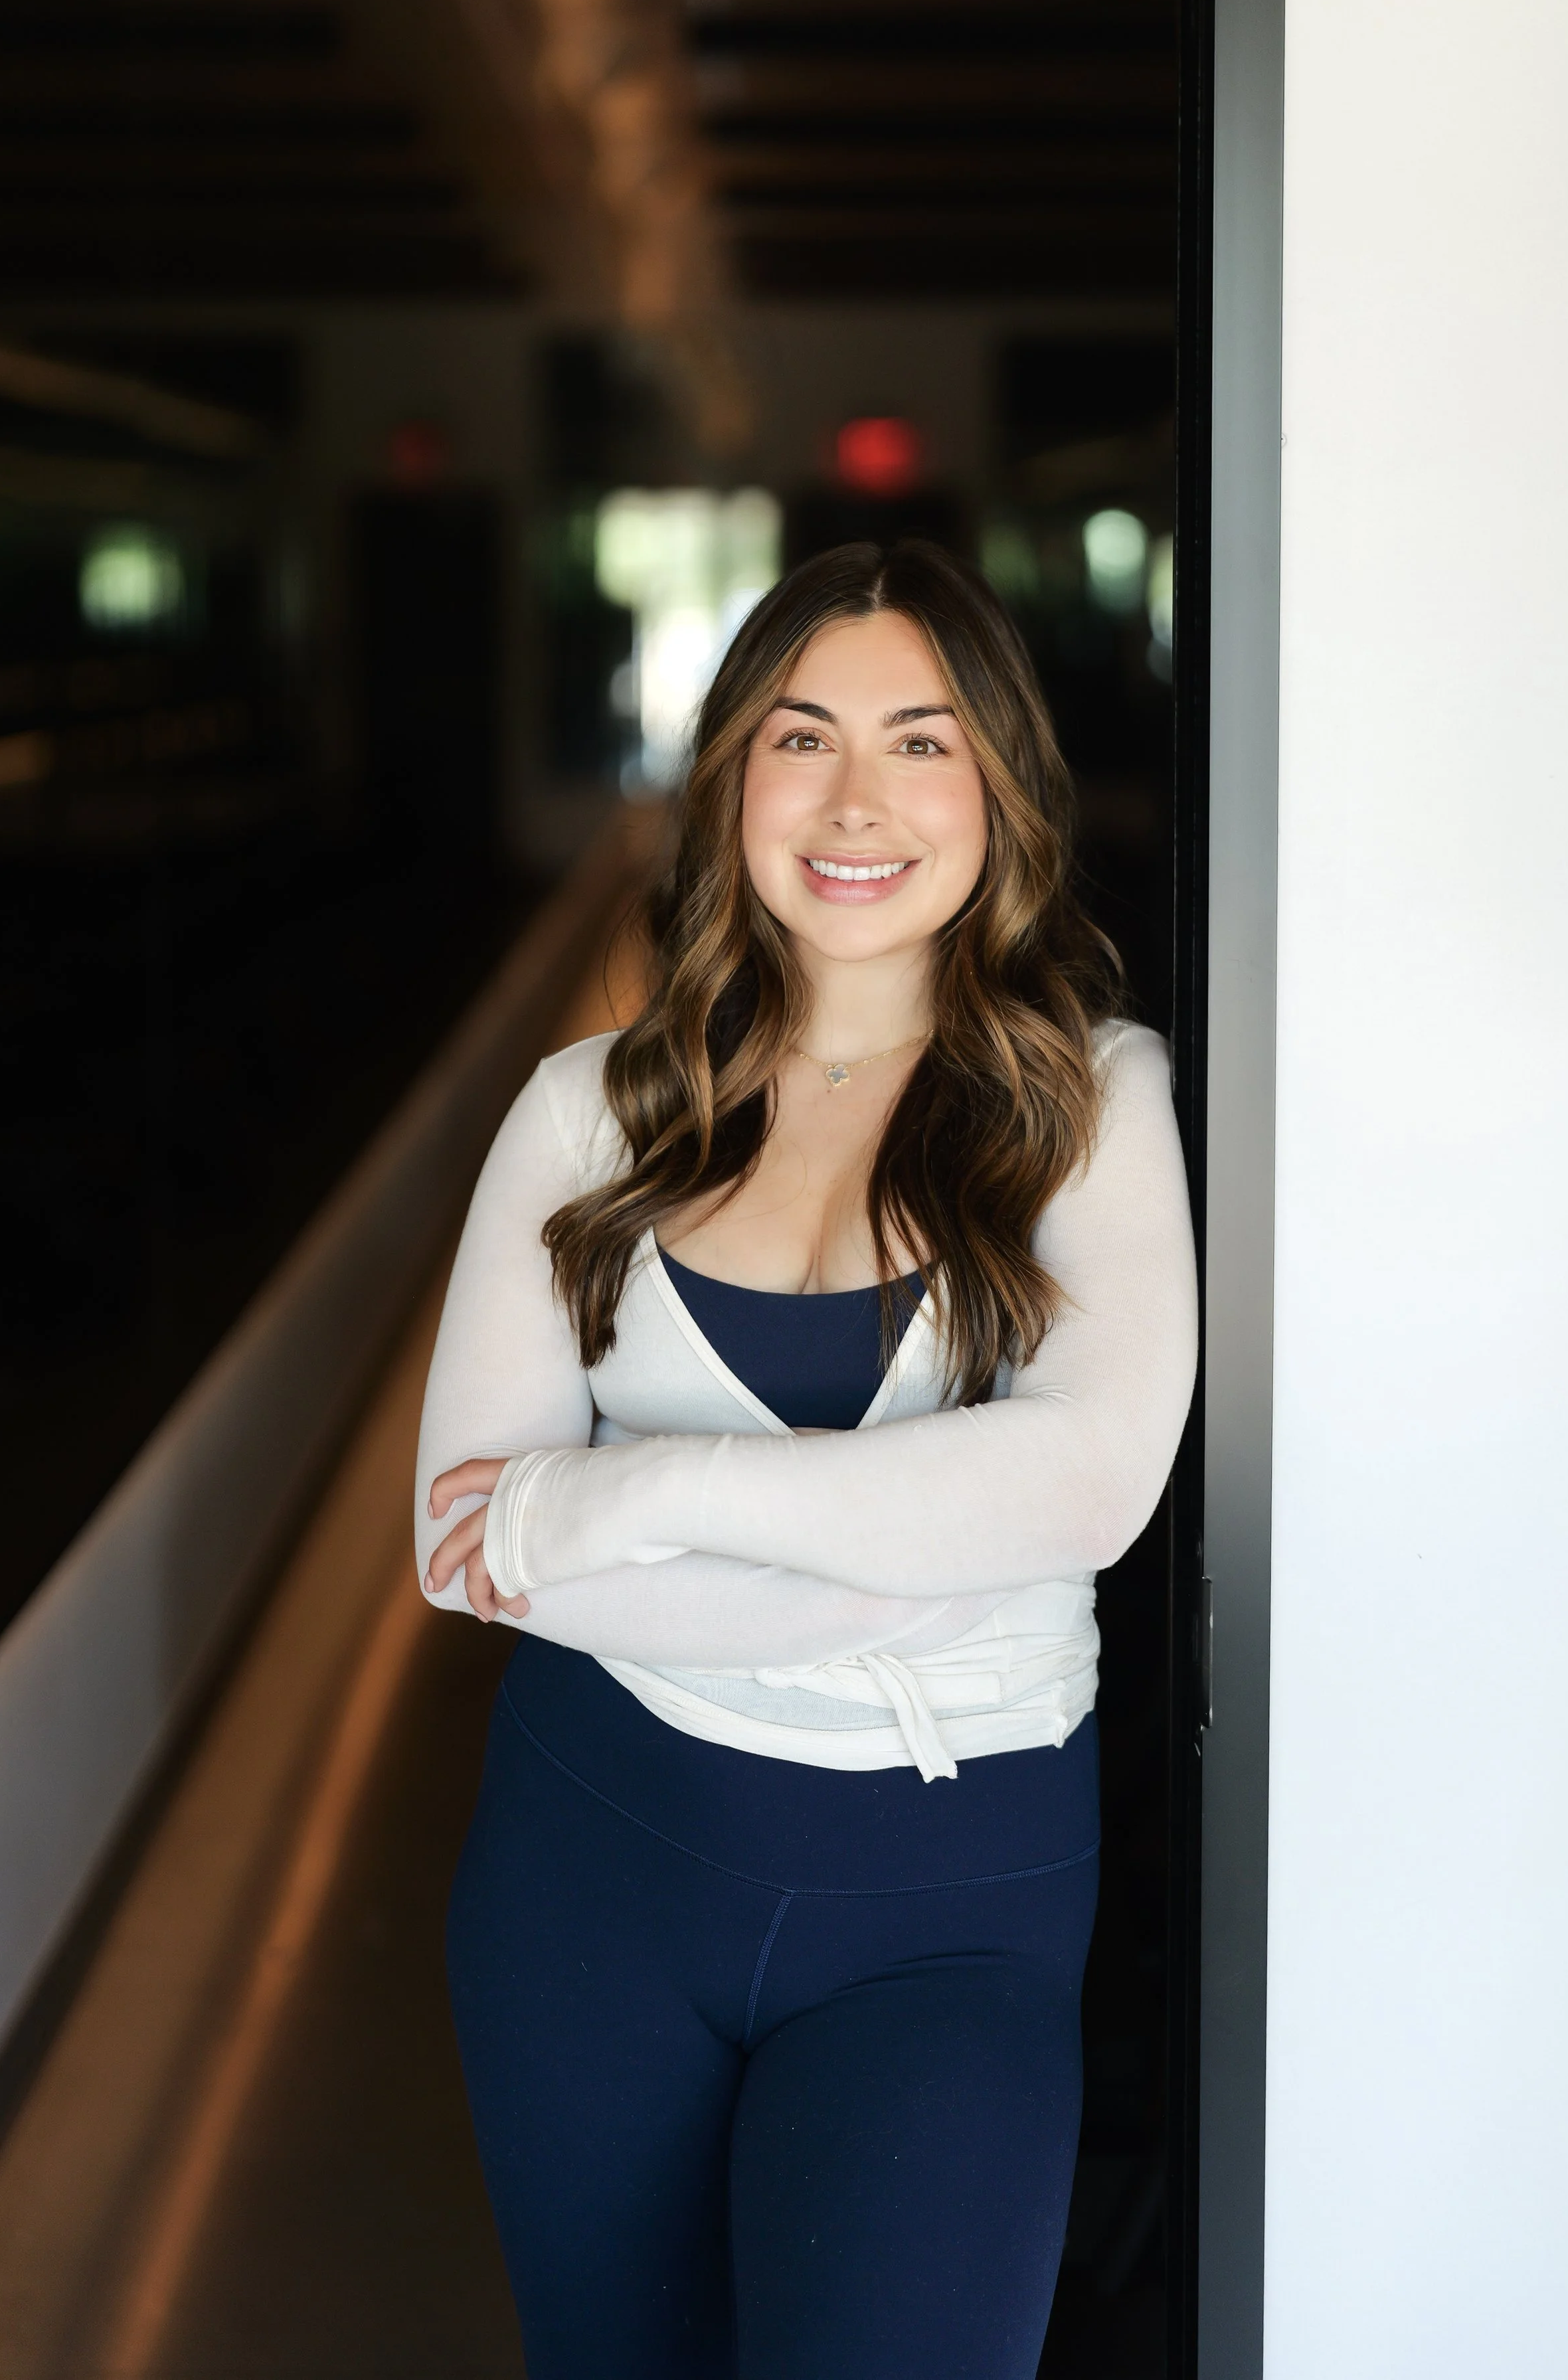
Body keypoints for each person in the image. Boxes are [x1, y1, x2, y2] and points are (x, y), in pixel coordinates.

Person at [415, 539, 1197, 2380]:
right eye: (802, 735)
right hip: (588, 1870)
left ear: (999, 788)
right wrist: (922, 1542)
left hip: (947, 1912)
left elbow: (1083, 1488)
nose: (857, 800)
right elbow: (467, 1545)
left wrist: (636, 1490)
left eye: (921, 742)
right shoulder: (584, 1111)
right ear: (730, 780)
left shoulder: (1092, 1098)